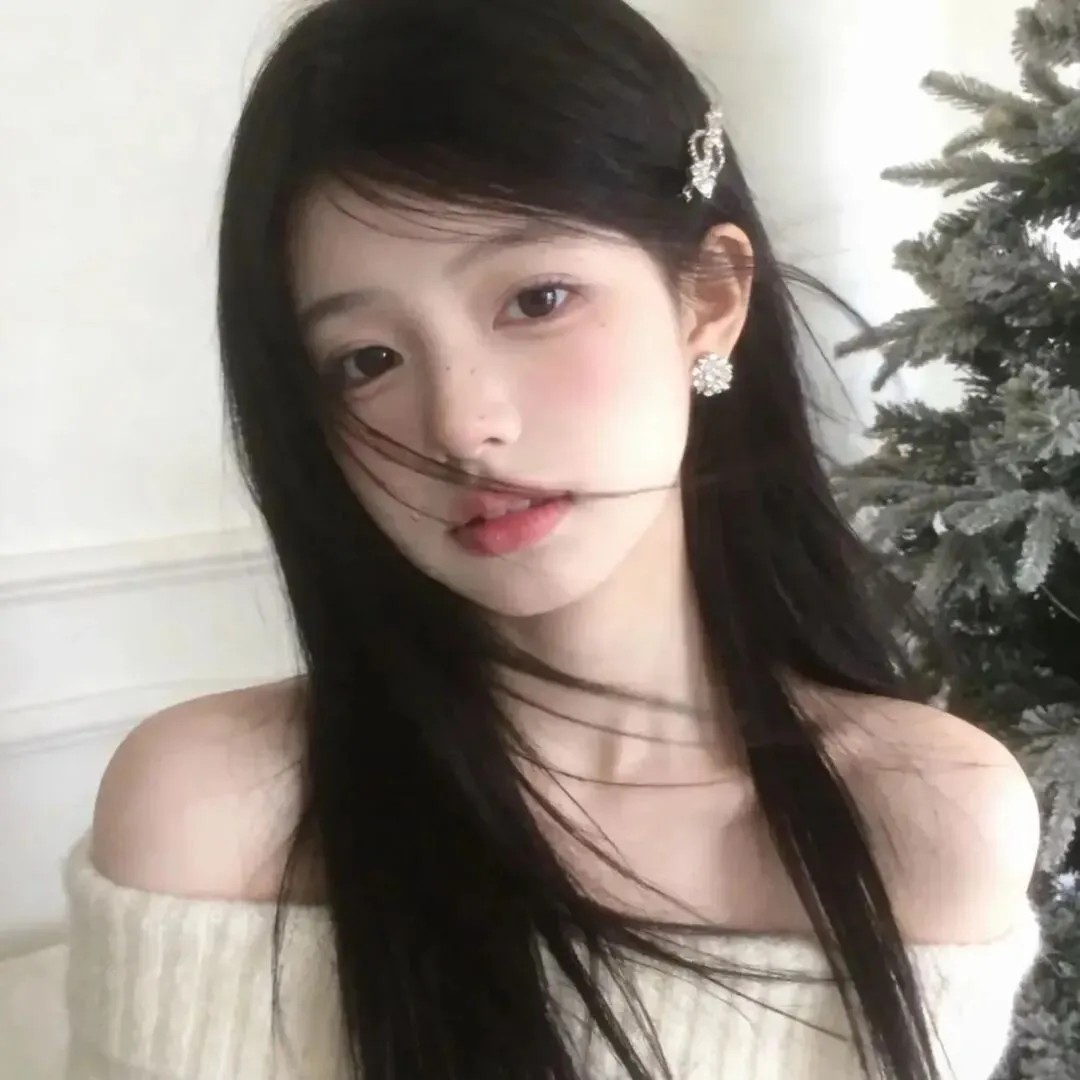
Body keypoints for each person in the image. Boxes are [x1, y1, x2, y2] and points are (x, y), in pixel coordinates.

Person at [63, 0, 1043, 1077]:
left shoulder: (925, 820)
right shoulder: (214, 816)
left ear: (709, 298)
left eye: (537, 299)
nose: (460, 425)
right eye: (367, 361)